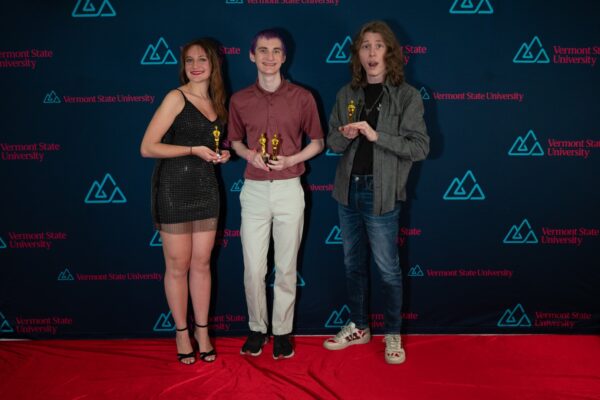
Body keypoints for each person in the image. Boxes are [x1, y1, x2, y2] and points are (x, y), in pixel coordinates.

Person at [323, 21, 429, 364]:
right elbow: (333, 143)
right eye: (365, 46)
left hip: (381, 193)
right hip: (347, 192)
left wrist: (375, 135)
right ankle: (359, 325)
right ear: (358, 55)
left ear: (390, 53)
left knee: (387, 269)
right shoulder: (346, 93)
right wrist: (348, 134)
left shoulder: (408, 95)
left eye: (377, 46)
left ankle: (393, 333)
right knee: (353, 265)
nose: (371, 53)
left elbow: (420, 147)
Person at [228, 29, 324, 359]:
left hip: (289, 189)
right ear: (252, 55)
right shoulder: (239, 100)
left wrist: (292, 159)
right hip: (253, 190)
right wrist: (249, 154)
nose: (269, 57)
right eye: (263, 51)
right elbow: (235, 141)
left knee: (285, 267)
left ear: (284, 57)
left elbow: (318, 142)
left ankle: (282, 332)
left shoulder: (303, 97)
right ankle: (257, 328)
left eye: (276, 51)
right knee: (253, 268)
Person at [140, 38, 230, 365]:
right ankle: (181, 332)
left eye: (202, 59)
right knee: (178, 265)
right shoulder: (175, 98)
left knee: (202, 264)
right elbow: (148, 147)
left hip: (206, 188)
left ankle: (202, 331)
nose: (195, 65)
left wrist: (224, 154)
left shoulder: (219, 102)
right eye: (189, 60)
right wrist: (192, 150)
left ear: (213, 65)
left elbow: (216, 143)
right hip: (173, 189)